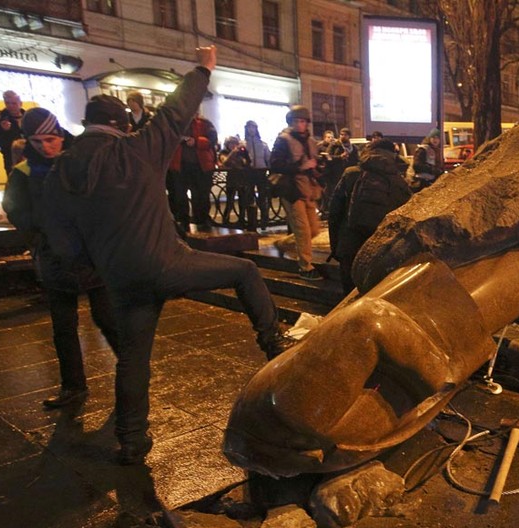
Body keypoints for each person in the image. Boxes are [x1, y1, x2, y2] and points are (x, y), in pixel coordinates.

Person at [42, 45, 290, 465]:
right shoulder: (136, 148)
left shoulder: (60, 172)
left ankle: (131, 439)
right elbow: (176, 110)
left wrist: (91, 268)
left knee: (133, 359)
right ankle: (274, 346)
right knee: (245, 270)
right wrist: (203, 67)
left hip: (118, 278)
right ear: (122, 125)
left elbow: (60, 237)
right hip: (166, 262)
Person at [3, 108, 119, 410]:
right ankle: (73, 387)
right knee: (63, 327)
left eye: (51, 139)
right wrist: (42, 239)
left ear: (60, 136)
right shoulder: (25, 173)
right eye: (38, 141)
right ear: (28, 141)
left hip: (90, 256)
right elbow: (18, 211)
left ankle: (133, 370)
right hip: (55, 259)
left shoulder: (76, 164)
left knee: (106, 317)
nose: (46, 147)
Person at [329, 139, 412, 293]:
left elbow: (334, 213)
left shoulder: (351, 173)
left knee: (349, 299)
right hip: (380, 252)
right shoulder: (399, 182)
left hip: (350, 246)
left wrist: (336, 248)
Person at [269, 105, 324, 280]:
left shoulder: (310, 141)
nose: (300, 124)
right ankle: (305, 266)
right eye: (296, 121)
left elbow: (313, 164)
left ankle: (283, 244)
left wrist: (319, 167)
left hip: (308, 188)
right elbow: (276, 165)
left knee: (314, 229)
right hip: (291, 190)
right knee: (303, 229)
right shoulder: (283, 140)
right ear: (290, 122)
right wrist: (300, 166)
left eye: (302, 121)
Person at [169, 111, 218, 231]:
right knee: (180, 195)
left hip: (200, 165)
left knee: (201, 194)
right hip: (180, 165)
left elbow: (212, 140)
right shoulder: (174, 124)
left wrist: (196, 141)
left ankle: (201, 219)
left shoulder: (205, 124)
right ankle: (183, 220)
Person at [218, 136, 251, 225]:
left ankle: (242, 219)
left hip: (242, 178)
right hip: (232, 179)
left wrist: (245, 152)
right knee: (230, 201)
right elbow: (225, 162)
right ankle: (225, 220)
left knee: (243, 201)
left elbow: (247, 162)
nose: (233, 145)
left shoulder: (241, 153)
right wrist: (233, 153)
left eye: (235, 143)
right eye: (231, 143)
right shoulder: (224, 152)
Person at [0, 90, 25, 174]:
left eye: (14, 103)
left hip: (31, 155)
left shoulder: (29, 117)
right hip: (10, 157)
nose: (10, 106)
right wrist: (3, 131)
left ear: (20, 103)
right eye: (7, 103)